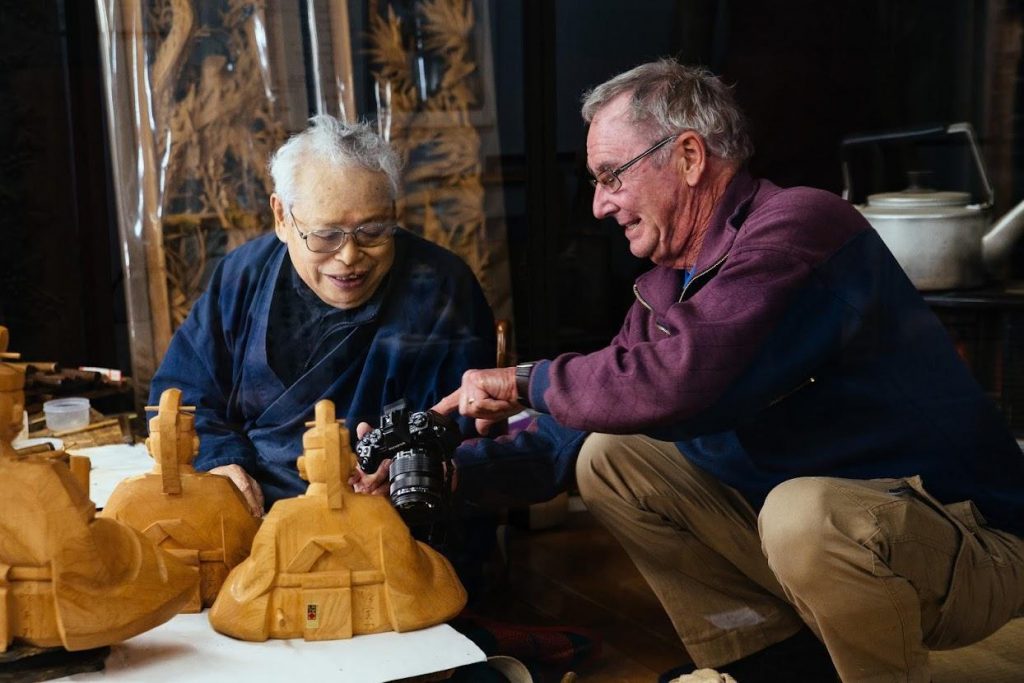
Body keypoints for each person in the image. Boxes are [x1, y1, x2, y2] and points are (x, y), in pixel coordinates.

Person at [435, 59, 1024, 682]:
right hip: (851, 540)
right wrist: (447, 473)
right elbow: (578, 424)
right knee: (610, 456)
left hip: (974, 544)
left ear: (689, 156)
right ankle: (767, 664)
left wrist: (524, 379)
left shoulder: (800, 226)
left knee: (802, 515)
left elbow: (679, 378)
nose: (599, 206)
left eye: (611, 177)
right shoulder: (669, 285)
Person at [150, 115, 495, 518]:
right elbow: (182, 395)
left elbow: (465, 428)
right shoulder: (242, 277)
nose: (349, 257)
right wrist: (221, 462)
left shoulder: (439, 288)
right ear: (282, 217)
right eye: (326, 235)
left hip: (382, 516)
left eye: (372, 231)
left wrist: (403, 467)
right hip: (250, 510)